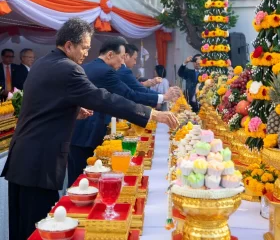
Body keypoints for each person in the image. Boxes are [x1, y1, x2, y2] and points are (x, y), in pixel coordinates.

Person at [1, 18, 178, 240]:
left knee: (23, 228)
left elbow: (41, 104)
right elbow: (104, 99)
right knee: (41, 228)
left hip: (23, 156)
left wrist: (71, 110)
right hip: (39, 160)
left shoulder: (43, 63)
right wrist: (152, 113)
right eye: (84, 47)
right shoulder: (69, 69)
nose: (86, 53)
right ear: (68, 45)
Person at [68, 37, 180, 186]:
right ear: (109, 55)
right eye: (121, 58)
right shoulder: (106, 72)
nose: (122, 63)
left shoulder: (89, 67)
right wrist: (161, 101)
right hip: (87, 133)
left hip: (78, 131)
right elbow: (129, 95)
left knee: (77, 181)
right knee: (83, 181)